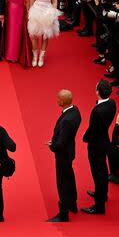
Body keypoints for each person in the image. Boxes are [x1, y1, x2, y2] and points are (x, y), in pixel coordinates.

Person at [81, 80, 117, 214]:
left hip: (96, 145)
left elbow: (93, 129)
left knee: (98, 173)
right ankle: (102, 194)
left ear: (98, 92)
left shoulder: (97, 111)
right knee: (102, 169)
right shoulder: (112, 103)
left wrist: (85, 136)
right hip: (104, 141)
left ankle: (99, 205)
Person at [47, 89, 82, 222]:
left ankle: (63, 213)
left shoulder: (67, 120)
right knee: (69, 177)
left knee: (62, 182)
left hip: (63, 154)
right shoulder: (76, 112)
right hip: (69, 150)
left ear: (61, 101)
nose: (56, 100)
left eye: (58, 98)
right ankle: (72, 203)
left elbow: (60, 144)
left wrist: (52, 145)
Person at [27, 0, 61, 67]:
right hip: (36, 10)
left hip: (47, 11)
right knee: (34, 35)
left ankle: (41, 56)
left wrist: (53, 14)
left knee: (45, 35)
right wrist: (30, 10)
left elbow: (55, 1)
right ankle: (35, 56)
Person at [3, 0, 31, 64]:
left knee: (16, 34)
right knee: (8, 32)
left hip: (19, 14)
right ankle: (7, 53)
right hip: (8, 13)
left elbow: (27, 3)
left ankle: (14, 55)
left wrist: (27, 16)